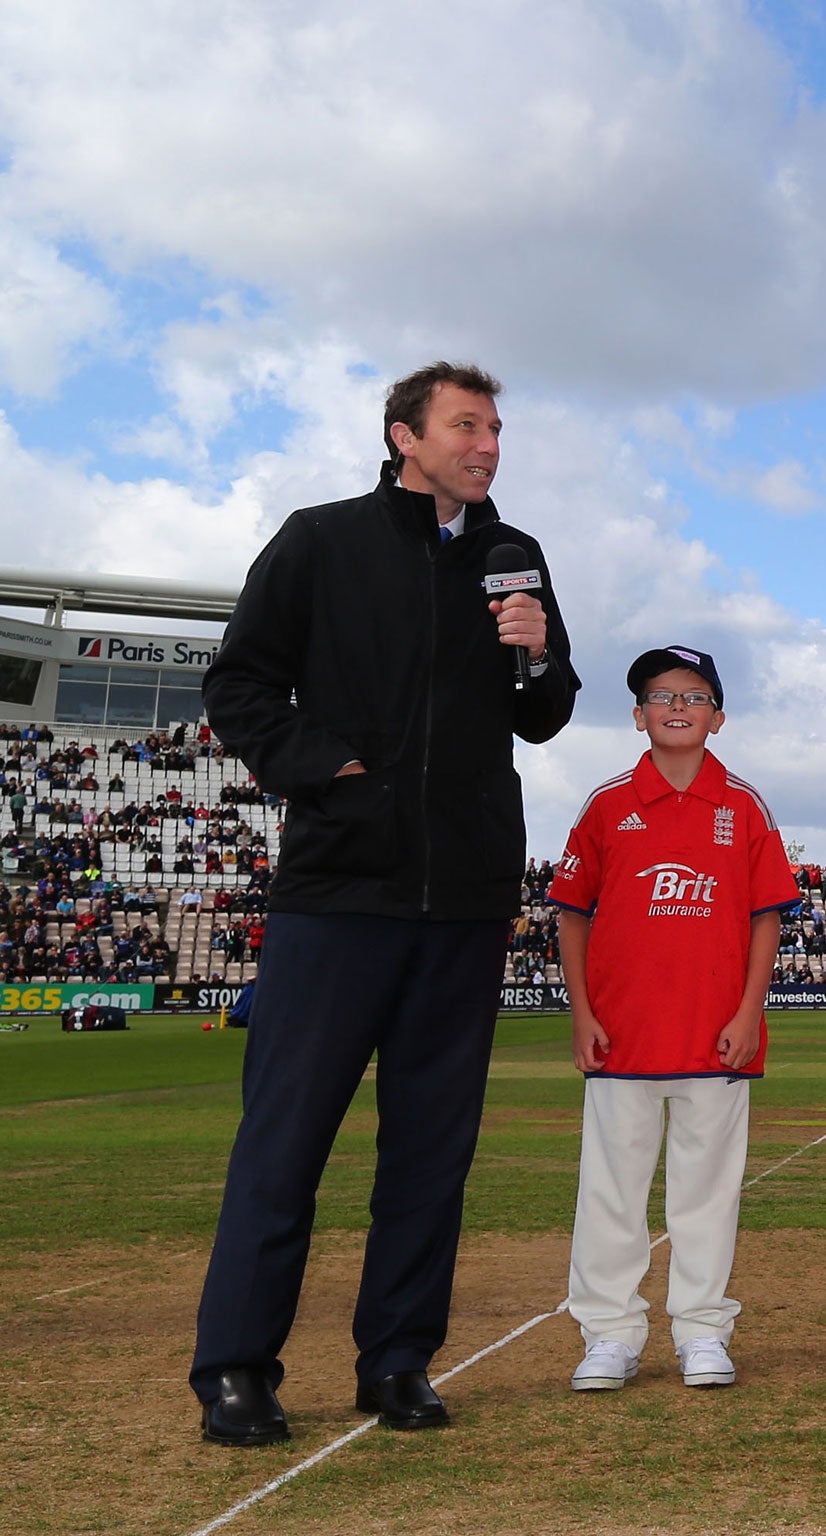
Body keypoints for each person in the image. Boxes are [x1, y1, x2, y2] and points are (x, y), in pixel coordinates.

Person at [190, 361, 579, 1446]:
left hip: (464, 902)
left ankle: (398, 1361)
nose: (487, 445)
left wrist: (537, 653)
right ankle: (236, 1371)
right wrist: (333, 772)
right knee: (284, 1145)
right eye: (466, 426)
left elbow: (546, 714)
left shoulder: (515, 556)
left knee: (430, 1155)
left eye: (495, 429)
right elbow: (239, 685)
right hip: (338, 894)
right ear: (406, 436)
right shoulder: (320, 540)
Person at [546, 646, 798, 1395]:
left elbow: (766, 917)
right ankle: (609, 1334)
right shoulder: (606, 804)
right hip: (621, 1037)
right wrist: (582, 1014)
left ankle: (701, 1331)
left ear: (718, 717)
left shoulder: (744, 805)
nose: (678, 707)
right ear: (637, 716)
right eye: (661, 695)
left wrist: (749, 1012)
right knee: (610, 1195)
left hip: (716, 1037)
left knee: (706, 1196)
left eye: (694, 696)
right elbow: (571, 914)